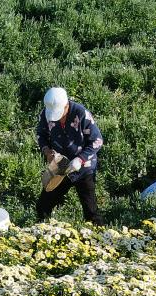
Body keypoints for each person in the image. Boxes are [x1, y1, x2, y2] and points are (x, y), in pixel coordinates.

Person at [35, 87, 104, 225]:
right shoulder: (46, 113)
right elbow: (41, 135)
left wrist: (80, 159)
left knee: (91, 211)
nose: (58, 117)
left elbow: (97, 141)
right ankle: (42, 231)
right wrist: (47, 151)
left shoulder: (81, 113)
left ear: (66, 105)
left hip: (84, 168)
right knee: (43, 206)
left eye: (60, 113)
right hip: (60, 164)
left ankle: (99, 236)